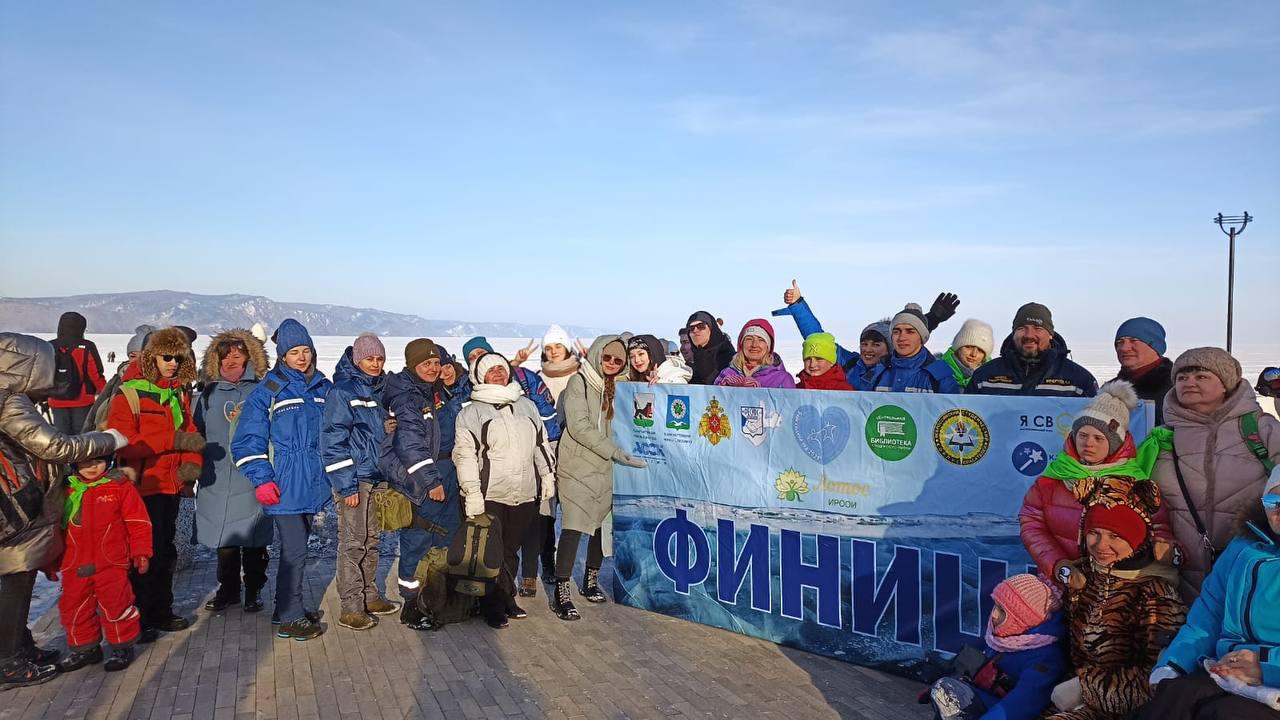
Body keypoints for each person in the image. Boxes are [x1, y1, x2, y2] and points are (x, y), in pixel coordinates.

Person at [0, 333, 126, 690]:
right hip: (15, 505)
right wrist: (110, 439)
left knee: (14, 578)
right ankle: (9, 661)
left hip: (10, 500)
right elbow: (55, 446)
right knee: (16, 579)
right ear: (28, 366)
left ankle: (19, 647)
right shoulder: (11, 401)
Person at [1142, 469, 1280, 720]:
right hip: (1226, 667)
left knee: (1222, 714)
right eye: (1274, 501)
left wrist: (1266, 666)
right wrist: (1173, 664)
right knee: (1174, 697)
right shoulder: (1244, 548)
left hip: (1271, 678)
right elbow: (1209, 614)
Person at [1045, 478, 1186, 720]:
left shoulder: (1155, 593)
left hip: (1124, 709)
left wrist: (1086, 688)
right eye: (1094, 533)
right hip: (1069, 698)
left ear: (1137, 539)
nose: (1101, 545)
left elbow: (1161, 677)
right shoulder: (1085, 577)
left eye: (1115, 536)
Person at [1020, 380, 1177, 588]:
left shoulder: (1135, 482)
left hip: (1120, 587)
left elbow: (1159, 525)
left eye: (1098, 438)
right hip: (1061, 582)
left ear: (1115, 444)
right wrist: (1059, 566)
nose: (1088, 444)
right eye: (1083, 435)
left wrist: (1165, 548)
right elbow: (1032, 525)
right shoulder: (1051, 479)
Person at [1152, 347, 1280, 601]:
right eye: (1182, 377)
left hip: (1250, 571)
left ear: (1225, 384)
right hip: (1180, 577)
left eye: (1201, 376)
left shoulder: (1260, 428)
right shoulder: (1163, 436)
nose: (1189, 382)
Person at [231, 319, 332, 641]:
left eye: (306, 351)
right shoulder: (269, 390)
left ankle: (285, 607)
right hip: (284, 484)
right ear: (282, 356)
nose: (301, 358)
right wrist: (262, 479)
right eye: (294, 352)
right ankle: (290, 616)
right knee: (295, 551)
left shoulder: (322, 387)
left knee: (297, 549)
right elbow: (248, 440)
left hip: (313, 482)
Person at [108, 326, 203, 641]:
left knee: (165, 551)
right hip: (142, 487)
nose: (173, 364)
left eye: (178, 358)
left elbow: (190, 432)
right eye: (167, 357)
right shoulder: (129, 394)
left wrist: (191, 467)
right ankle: (139, 616)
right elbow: (124, 442)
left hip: (170, 484)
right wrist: (172, 439)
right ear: (152, 357)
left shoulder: (177, 392)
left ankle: (161, 610)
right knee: (144, 554)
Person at [453, 352, 557, 629]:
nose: (498, 374)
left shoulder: (526, 406)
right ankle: (491, 605)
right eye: (491, 371)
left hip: (524, 491)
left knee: (511, 549)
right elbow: (465, 456)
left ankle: (507, 597)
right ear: (480, 377)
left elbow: (541, 444)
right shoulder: (471, 412)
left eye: (501, 369)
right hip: (490, 493)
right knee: (490, 551)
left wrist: (547, 476)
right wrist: (472, 493)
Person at [551, 336, 648, 621]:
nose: (612, 364)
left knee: (600, 526)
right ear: (597, 354)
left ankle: (590, 579)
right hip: (578, 465)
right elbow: (579, 426)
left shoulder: (619, 386)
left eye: (618, 360)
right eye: (607, 358)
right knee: (573, 526)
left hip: (607, 467)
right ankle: (561, 590)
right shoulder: (579, 382)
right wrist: (614, 451)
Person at [380, 338, 460, 631]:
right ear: (413, 365)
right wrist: (430, 481)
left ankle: (435, 598)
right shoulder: (406, 398)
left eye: (437, 362)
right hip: (423, 478)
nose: (433, 368)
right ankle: (411, 604)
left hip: (448, 473)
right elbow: (410, 444)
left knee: (445, 539)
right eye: (426, 363)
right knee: (418, 539)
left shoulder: (436, 392)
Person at [321, 333, 399, 631]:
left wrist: (387, 427)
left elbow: (369, 432)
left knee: (372, 540)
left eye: (379, 359)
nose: (375, 364)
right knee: (353, 542)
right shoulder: (343, 391)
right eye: (369, 359)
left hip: (376, 477)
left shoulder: (379, 389)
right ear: (357, 360)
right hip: (355, 479)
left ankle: (369, 595)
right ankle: (351, 606)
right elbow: (333, 440)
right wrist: (346, 485)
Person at [193, 329, 274, 614]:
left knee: (253, 536)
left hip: (251, 474)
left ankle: (253, 589)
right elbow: (196, 431)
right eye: (225, 356)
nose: (231, 360)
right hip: (216, 474)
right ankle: (228, 589)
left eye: (238, 356)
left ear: (250, 358)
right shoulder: (208, 392)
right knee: (224, 538)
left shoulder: (263, 389)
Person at [55, 452, 151, 674]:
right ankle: (86, 648)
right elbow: (53, 530)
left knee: (117, 604)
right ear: (74, 464)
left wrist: (141, 552)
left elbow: (137, 521)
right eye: (85, 462)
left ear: (108, 462)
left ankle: (122, 645)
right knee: (74, 607)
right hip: (74, 563)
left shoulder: (119, 487)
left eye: (98, 461)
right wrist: (50, 561)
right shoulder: (66, 490)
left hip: (110, 561)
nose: (92, 466)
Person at [925, 574, 1067, 720]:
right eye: (996, 605)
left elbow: (1021, 705)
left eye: (1002, 610)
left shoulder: (1045, 658)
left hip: (1006, 713)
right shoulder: (1007, 639)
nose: (993, 614)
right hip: (989, 698)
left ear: (1023, 618)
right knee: (945, 690)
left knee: (948, 695)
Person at [773, 280, 957, 391]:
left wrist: (930, 321)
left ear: (889, 348)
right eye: (864, 343)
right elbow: (818, 339)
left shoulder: (890, 370)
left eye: (876, 344)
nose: (868, 349)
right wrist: (798, 305)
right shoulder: (851, 364)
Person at [968, 303, 1098, 398]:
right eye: (1022, 328)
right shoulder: (984, 377)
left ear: (1050, 334)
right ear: (1013, 334)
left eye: (1038, 328)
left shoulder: (1079, 380)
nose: (1029, 335)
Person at [462, 337, 561, 442]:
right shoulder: (467, 392)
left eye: (481, 353)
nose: (477, 358)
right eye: (471, 357)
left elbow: (546, 413)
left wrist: (550, 443)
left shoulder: (523, 377)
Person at [83, 324, 154, 433]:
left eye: (144, 357)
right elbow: (96, 412)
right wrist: (87, 433)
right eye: (133, 356)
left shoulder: (162, 384)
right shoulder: (119, 379)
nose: (137, 362)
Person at [47, 311, 108, 435]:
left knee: (61, 436)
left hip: (56, 398)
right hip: (83, 399)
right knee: (82, 435)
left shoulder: (50, 346)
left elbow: (43, 373)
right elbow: (95, 373)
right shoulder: (87, 346)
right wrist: (104, 392)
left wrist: (42, 394)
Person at [1112, 317, 1174, 425]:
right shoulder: (1108, 390)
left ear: (1154, 346)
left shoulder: (1179, 388)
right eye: (1120, 342)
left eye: (1134, 340)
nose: (1124, 348)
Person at [714, 319, 796, 388]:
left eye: (761, 340)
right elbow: (714, 399)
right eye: (749, 339)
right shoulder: (727, 374)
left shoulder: (782, 379)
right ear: (741, 345)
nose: (754, 345)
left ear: (768, 347)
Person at [940, 319, 995, 390]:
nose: (973, 354)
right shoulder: (936, 373)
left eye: (980, 350)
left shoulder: (994, 379)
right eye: (969, 347)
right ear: (957, 347)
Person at [683, 311, 735, 385]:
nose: (695, 330)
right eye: (691, 328)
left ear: (711, 329)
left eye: (701, 326)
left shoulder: (731, 359)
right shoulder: (689, 364)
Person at [624, 334, 692, 384]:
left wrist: (660, 384)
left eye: (641, 354)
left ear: (653, 354)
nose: (636, 360)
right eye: (632, 356)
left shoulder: (675, 377)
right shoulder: (634, 378)